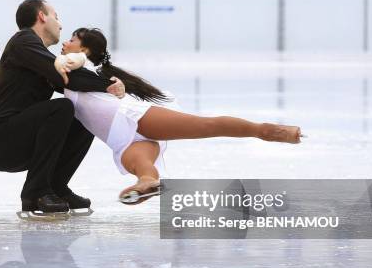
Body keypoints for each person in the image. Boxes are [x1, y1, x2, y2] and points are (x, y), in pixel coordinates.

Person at [55, 28, 304, 205]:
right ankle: (147, 183)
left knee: (206, 125)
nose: (65, 43)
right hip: (118, 136)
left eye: (71, 39)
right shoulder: (83, 73)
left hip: (133, 118)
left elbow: (74, 61)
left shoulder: (77, 64)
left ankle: (264, 130)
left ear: (84, 49)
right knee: (141, 167)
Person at [0, 0, 127, 220]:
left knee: (85, 113)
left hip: (21, 139)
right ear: (41, 16)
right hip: (0, 142)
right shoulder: (24, 41)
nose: (60, 25)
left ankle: (56, 187)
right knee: (61, 108)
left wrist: (110, 84)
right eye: (56, 16)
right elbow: (66, 76)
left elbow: (73, 83)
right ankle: (35, 193)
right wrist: (108, 84)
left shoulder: (38, 53)